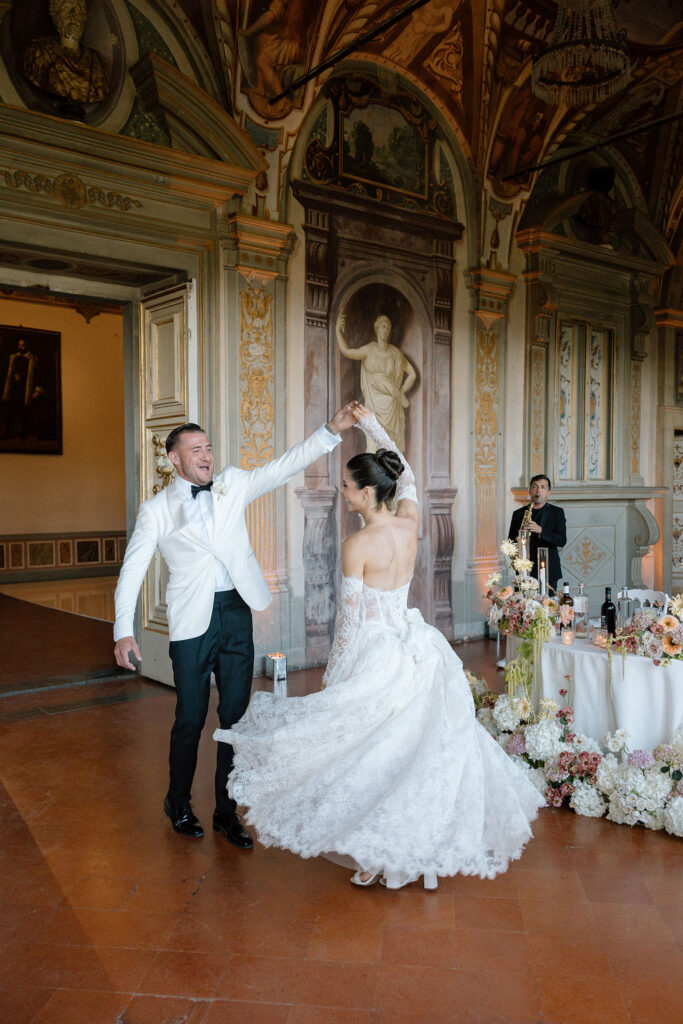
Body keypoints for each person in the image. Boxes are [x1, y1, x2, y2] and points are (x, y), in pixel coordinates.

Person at [215, 405, 544, 889]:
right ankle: (400, 846)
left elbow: (348, 622)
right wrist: (371, 426)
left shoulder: (357, 544)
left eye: (347, 486)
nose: (342, 492)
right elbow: (406, 475)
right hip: (416, 645)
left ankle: (378, 848)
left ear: (366, 492)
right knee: (411, 750)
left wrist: (335, 672)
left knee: (370, 754)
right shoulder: (409, 521)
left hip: (375, 650)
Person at [113, 403, 357, 849]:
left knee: (235, 717)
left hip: (236, 613)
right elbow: (133, 571)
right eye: (196, 449)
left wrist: (330, 431)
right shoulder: (156, 510)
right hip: (191, 623)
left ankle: (227, 811)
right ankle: (178, 801)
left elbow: (283, 467)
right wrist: (123, 630)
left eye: (208, 447)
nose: (206, 455)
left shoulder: (232, 483)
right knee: (189, 717)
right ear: (174, 459)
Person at [336, 312, 416, 452]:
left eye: (387, 328)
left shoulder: (395, 353)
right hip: (374, 404)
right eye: (383, 327)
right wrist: (337, 330)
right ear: (377, 329)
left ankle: (391, 472)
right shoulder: (369, 349)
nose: (385, 330)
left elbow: (412, 374)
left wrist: (399, 394)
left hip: (392, 406)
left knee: (392, 447)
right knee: (373, 444)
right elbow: (348, 351)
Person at [21, 0, 109, 106]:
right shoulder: (38, 53)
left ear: (84, 17)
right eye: (67, 9)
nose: (73, 15)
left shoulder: (97, 64)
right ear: (55, 16)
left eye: (78, 10)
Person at [508, 474, 567, 592]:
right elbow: (510, 543)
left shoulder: (557, 512)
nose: (538, 490)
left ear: (549, 492)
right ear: (530, 491)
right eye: (534, 486)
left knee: (546, 606)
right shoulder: (518, 514)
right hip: (524, 571)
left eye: (543, 487)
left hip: (548, 570)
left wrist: (540, 530)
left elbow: (561, 540)